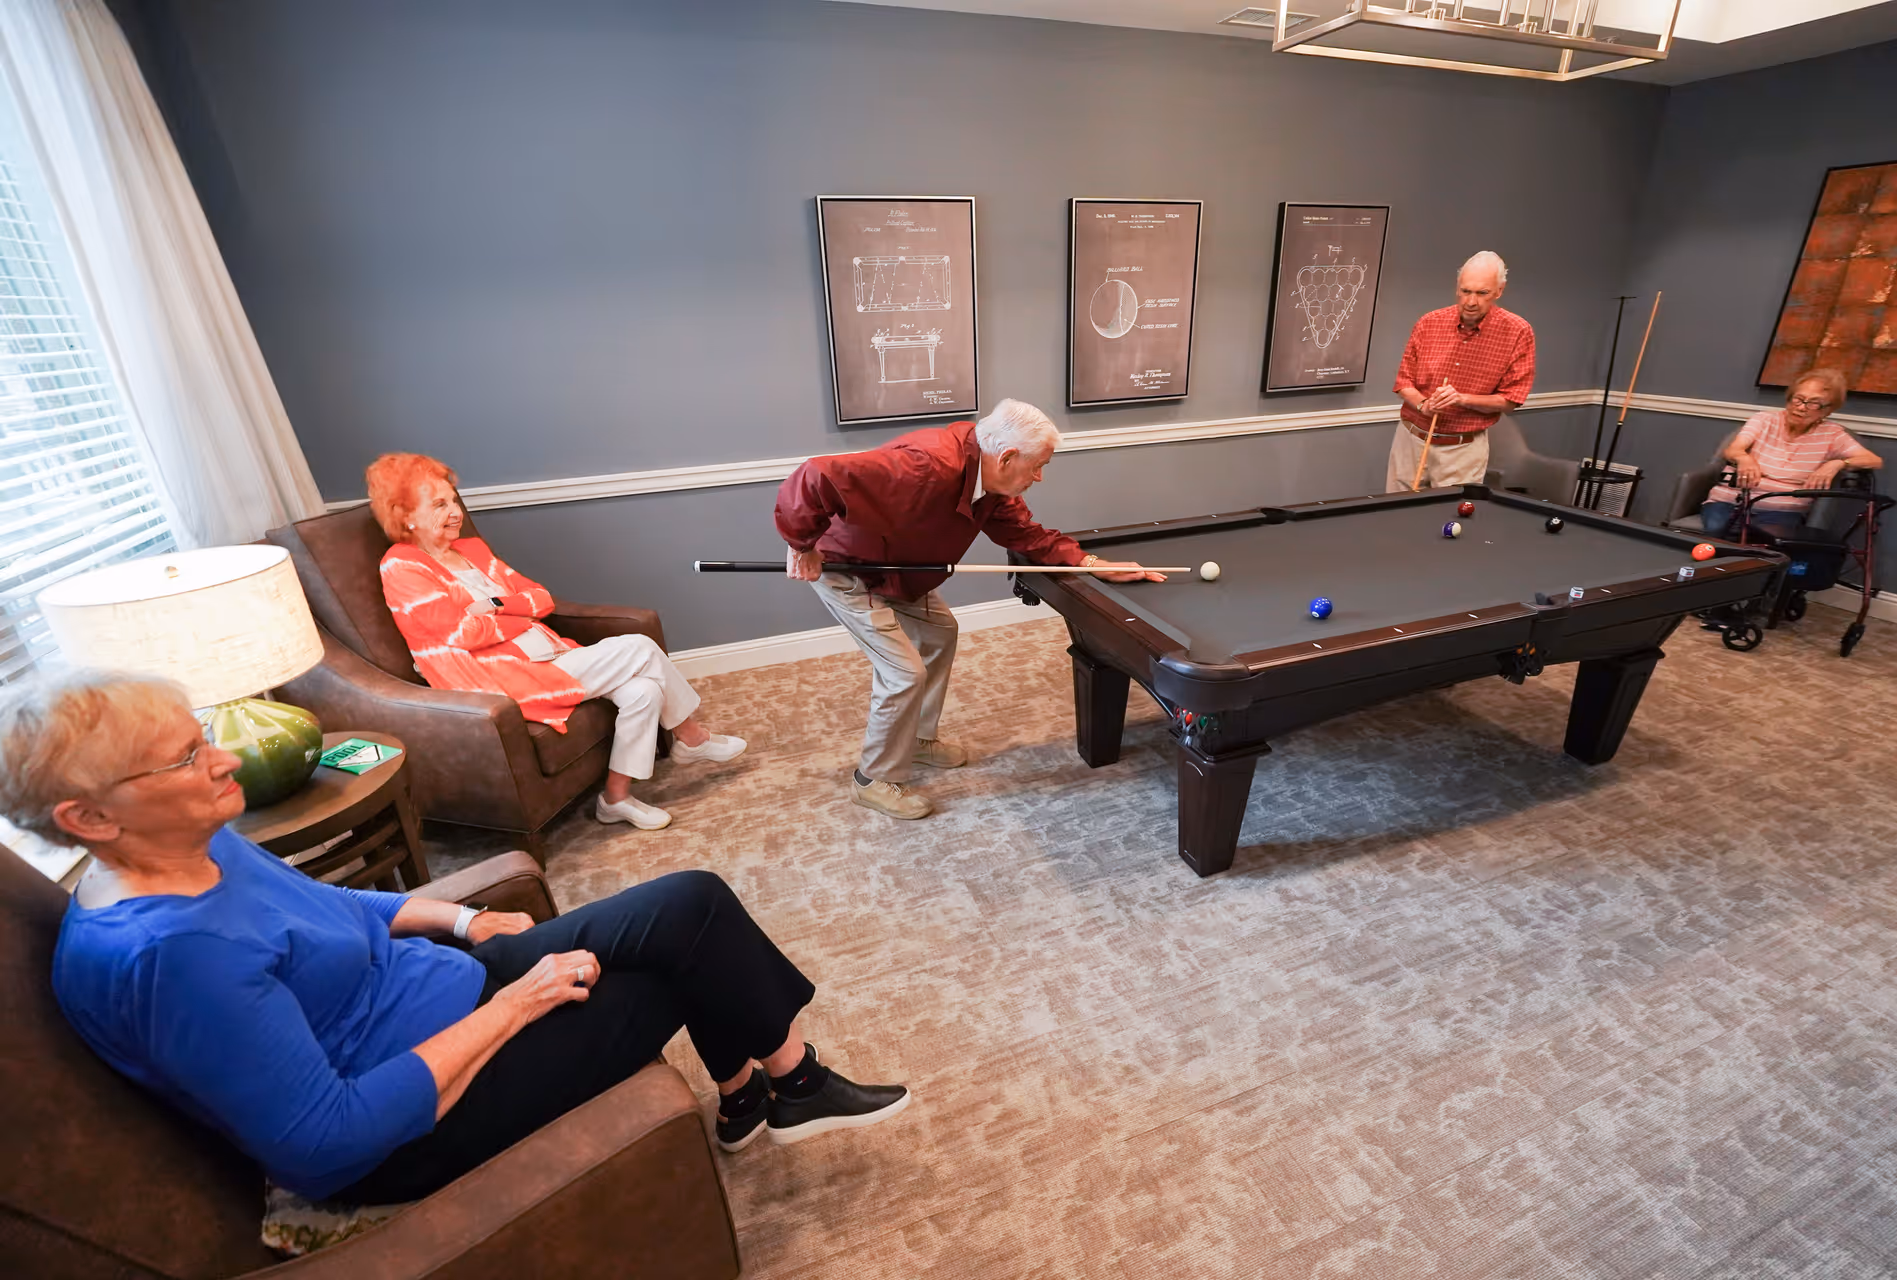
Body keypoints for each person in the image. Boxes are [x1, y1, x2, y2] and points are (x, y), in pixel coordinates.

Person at [1, 671, 909, 1205]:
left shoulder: (194, 844)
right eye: (186, 758)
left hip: (441, 990)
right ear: (89, 818)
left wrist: (463, 918)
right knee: (676, 970)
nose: (226, 756)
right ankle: (776, 1089)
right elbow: (326, 1140)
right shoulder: (172, 960)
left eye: (200, 736)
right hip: (409, 1125)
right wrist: (515, 1006)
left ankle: (770, 1090)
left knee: (689, 904)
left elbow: (332, 911)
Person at [774, 399, 1160, 820]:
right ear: (1007, 457)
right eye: (1037, 466)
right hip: (851, 572)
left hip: (900, 572)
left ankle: (917, 740)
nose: (1039, 477)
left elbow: (1026, 535)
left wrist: (1091, 563)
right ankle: (872, 780)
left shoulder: (989, 486)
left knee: (940, 634)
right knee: (904, 673)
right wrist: (801, 544)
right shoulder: (925, 465)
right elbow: (816, 475)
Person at [368, 453, 742, 831]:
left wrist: (496, 607)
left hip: (549, 651)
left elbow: (540, 599)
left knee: (644, 691)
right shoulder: (402, 567)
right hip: (503, 677)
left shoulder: (472, 551)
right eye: (439, 505)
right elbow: (460, 634)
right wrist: (518, 618)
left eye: (453, 500)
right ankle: (691, 737)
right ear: (406, 516)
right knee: (641, 648)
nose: (455, 512)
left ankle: (615, 799)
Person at [1388, 251, 1536, 492]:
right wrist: (1424, 405)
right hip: (1411, 440)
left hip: (1462, 450)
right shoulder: (1429, 322)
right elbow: (1404, 382)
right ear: (1457, 287)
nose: (1471, 302)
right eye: (1466, 291)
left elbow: (1511, 400)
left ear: (1499, 291)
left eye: (1482, 293)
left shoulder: (1518, 332)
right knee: (1397, 510)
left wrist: (1461, 399)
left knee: (1448, 513)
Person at [1699, 368, 1882, 538]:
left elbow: (1873, 460)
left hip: (1782, 511)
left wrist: (1838, 463)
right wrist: (1743, 458)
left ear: (1827, 410)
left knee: (1768, 542)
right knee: (1717, 529)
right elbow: (1733, 449)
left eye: (1814, 403)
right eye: (1798, 399)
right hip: (1731, 501)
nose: (1801, 407)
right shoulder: (1763, 420)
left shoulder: (1832, 434)